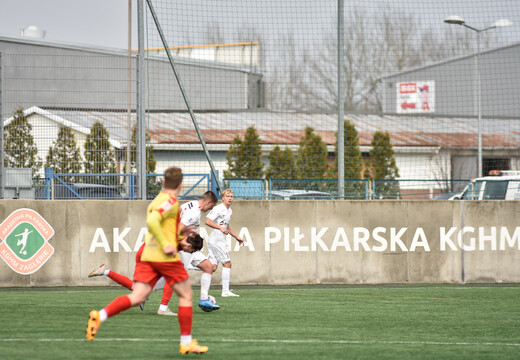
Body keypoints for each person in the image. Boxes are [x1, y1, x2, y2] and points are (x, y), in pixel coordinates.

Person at [86, 166, 208, 355]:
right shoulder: (170, 201)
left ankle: (99, 316)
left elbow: (161, 223)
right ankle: (186, 342)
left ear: (163, 183)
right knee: (186, 295)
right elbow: (153, 221)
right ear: (181, 184)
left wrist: (181, 232)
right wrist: (166, 244)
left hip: (148, 255)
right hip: (162, 255)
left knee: (138, 296)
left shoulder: (159, 200)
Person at [88, 191, 220, 313]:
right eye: (211, 207)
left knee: (205, 267)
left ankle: (106, 272)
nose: (210, 210)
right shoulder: (193, 215)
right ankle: (163, 307)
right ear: (208, 203)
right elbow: (178, 229)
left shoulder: (189, 205)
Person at [205, 188, 243, 297]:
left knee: (212, 267)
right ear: (223, 198)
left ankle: (190, 265)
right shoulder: (218, 209)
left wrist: (236, 237)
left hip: (216, 240)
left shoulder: (229, 211)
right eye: (228, 196)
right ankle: (225, 291)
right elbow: (208, 221)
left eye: (231, 196)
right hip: (217, 240)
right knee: (227, 263)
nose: (230, 198)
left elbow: (226, 226)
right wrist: (220, 228)